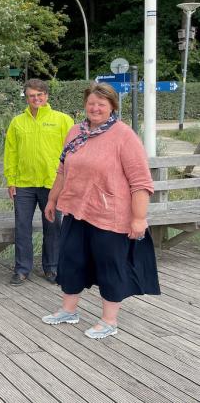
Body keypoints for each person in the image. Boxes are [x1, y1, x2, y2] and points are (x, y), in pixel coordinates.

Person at [41, 83, 159, 339]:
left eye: (101, 104)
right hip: (75, 209)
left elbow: (140, 182)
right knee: (71, 260)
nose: (95, 108)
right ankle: (69, 310)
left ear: (112, 107)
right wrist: (52, 200)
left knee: (110, 266)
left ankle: (109, 320)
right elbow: (63, 170)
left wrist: (139, 218)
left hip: (110, 214)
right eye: (91, 103)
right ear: (85, 104)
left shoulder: (124, 136)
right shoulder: (75, 132)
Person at [4, 79, 73, 286]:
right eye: (32, 95)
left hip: (52, 183)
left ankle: (52, 267)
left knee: (52, 226)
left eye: (40, 95)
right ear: (26, 98)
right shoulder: (17, 122)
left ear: (47, 96)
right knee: (22, 226)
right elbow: (11, 153)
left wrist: (67, 180)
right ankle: (22, 269)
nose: (36, 99)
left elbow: (72, 151)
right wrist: (11, 180)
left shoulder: (62, 120)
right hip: (24, 184)